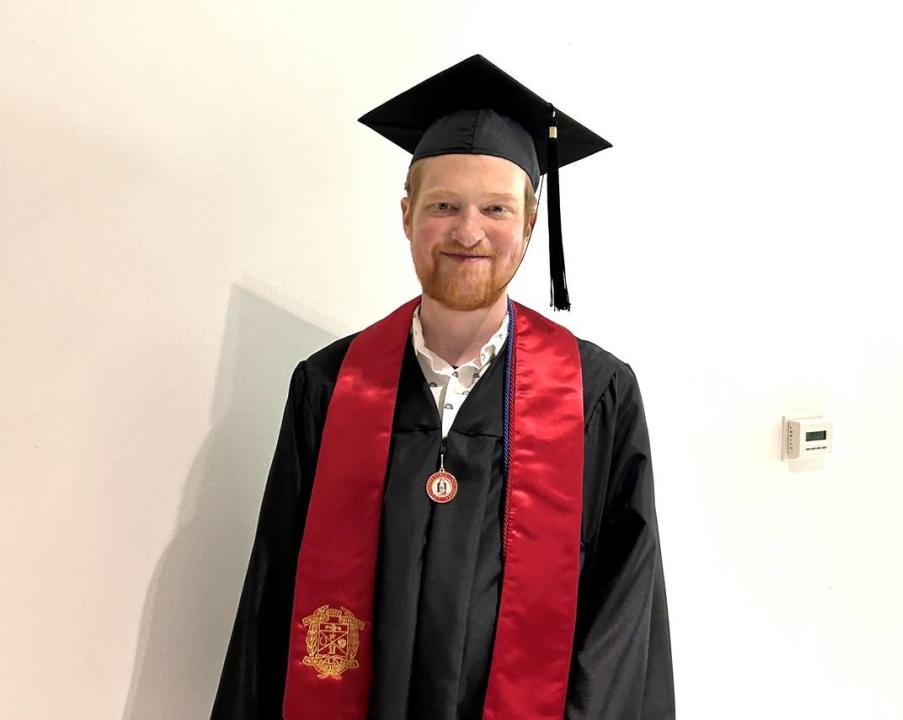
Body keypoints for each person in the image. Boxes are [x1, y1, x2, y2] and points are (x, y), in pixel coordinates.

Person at [212, 54, 674, 719]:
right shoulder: (330, 387)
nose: (468, 230)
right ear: (407, 215)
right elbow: (273, 598)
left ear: (530, 223)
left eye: (494, 208)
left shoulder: (596, 396)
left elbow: (623, 619)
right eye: (444, 206)